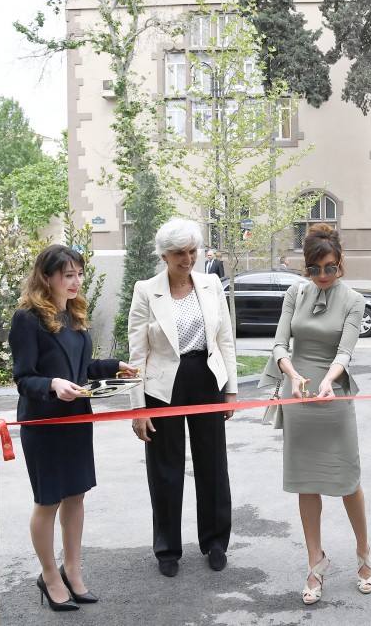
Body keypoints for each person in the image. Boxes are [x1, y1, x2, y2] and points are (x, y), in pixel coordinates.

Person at [9, 244, 135, 611]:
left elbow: (80, 369)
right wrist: (52, 384)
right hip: (44, 422)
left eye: (79, 274)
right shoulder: (27, 318)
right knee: (48, 501)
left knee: (76, 495)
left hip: (77, 419)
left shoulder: (74, 314)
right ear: (46, 277)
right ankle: (49, 576)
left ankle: (73, 571)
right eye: (68, 275)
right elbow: (24, 378)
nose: (76, 281)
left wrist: (115, 366)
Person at [258, 223, 371, 605]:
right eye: (315, 269)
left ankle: (363, 554)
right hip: (299, 395)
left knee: (346, 480)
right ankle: (315, 561)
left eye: (329, 267)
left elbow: (345, 351)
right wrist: (292, 375)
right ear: (304, 267)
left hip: (333, 393)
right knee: (306, 482)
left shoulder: (354, 299)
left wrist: (328, 380)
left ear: (340, 261)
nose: (323, 276)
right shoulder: (295, 292)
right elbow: (279, 343)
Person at [128, 218, 239, 578]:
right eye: (179, 253)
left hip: (206, 379)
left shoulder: (210, 285)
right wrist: (138, 408)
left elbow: (225, 339)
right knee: (165, 469)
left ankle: (216, 542)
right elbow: (137, 354)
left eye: (192, 251)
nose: (188, 259)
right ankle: (167, 549)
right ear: (164, 255)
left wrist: (231, 389)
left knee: (213, 465)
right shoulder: (146, 290)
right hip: (162, 388)